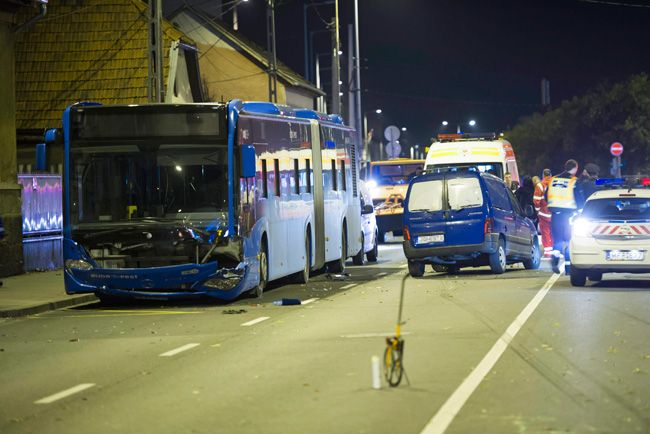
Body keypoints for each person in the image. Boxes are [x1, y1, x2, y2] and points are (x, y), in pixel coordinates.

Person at [547, 159, 579, 274]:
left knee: (558, 241)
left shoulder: (553, 179)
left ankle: (555, 260)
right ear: (575, 168)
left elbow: (547, 196)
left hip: (555, 215)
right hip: (569, 216)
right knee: (569, 241)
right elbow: (579, 198)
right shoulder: (574, 181)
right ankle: (568, 269)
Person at [534, 169, 553, 257]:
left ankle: (548, 252)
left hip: (543, 214)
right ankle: (554, 249)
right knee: (553, 232)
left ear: (543, 175)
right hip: (554, 213)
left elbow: (536, 201)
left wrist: (538, 211)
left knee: (545, 233)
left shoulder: (540, 186)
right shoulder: (554, 183)